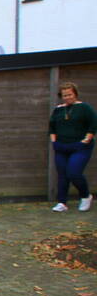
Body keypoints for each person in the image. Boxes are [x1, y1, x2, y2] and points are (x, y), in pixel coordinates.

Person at [49, 81, 95, 212]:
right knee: (62, 175)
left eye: (70, 94)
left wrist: (86, 140)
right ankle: (62, 203)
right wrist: (54, 142)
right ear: (61, 96)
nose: (67, 97)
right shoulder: (58, 110)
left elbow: (93, 124)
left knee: (74, 173)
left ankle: (85, 196)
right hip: (61, 147)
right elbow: (52, 127)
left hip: (80, 147)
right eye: (65, 95)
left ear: (75, 94)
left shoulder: (85, 108)